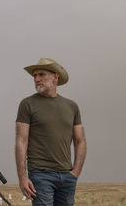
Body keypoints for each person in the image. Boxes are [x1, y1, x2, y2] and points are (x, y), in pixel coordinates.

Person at [15, 58, 86, 206]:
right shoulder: (27, 104)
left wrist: (75, 172)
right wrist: (22, 177)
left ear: (55, 77)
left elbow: (80, 141)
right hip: (41, 175)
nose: (37, 79)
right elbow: (21, 141)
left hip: (67, 176)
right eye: (34, 76)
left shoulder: (71, 106)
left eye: (41, 74)